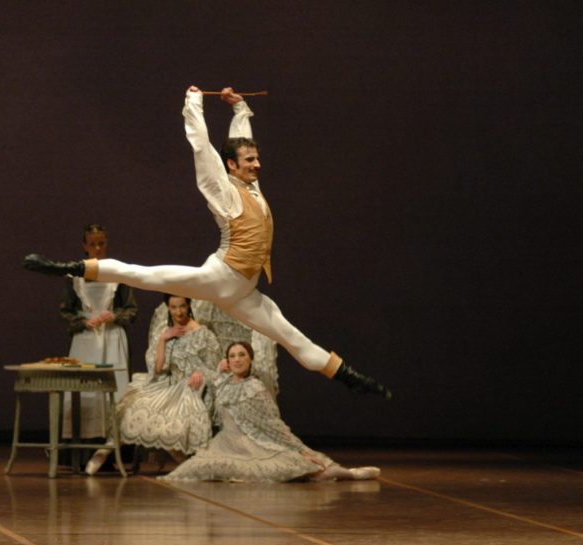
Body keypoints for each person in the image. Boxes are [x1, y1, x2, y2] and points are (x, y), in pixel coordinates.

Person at [23, 85, 391, 400]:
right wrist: (194, 104)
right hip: (221, 276)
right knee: (145, 276)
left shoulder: (253, 189)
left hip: (244, 291)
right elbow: (203, 148)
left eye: (257, 158)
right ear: (232, 166)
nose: (257, 164)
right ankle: (66, 267)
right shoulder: (226, 191)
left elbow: (240, 142)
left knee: (291, 336)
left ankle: (351, 379)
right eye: (249, 160)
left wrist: (238, 108)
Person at [164, 342, 380, 482]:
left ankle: (349, 473)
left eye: (242, 355)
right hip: (225, 442)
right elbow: (208, 382)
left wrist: (300, 448)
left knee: (295, 466)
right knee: (193, 469)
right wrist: (214, 372)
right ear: (227, 361)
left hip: (252, 442)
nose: (237, 359)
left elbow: (272, 423)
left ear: (250, 360)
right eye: (232, 356)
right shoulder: (223, 383)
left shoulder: (255, 388)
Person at [85, 295, 220, 475]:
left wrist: (200, 372)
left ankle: (183, 463)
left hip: (189, 388)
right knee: (133, 408)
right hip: (164, 383)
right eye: (173, 307)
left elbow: (214, 367)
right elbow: (157, 368)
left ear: (189, 306)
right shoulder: (163, 332)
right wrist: (164, 339)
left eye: (182, 306)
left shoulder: (204, 334)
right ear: (168, 309)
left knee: (169, 421)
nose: (178, 312)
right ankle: (105, 450)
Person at [58, 223, 137, 439]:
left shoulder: (119, 273)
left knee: (115, 389)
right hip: (85, 339)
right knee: (84, 390)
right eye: (93, 244)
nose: (98, 248)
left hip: (112, 337)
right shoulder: (74, 275)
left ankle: (114, 448)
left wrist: (115, 316)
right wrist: (82, 323)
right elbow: (65, 311)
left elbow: (131, 309)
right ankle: (81, 449)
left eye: (101, 243)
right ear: (85, 246)